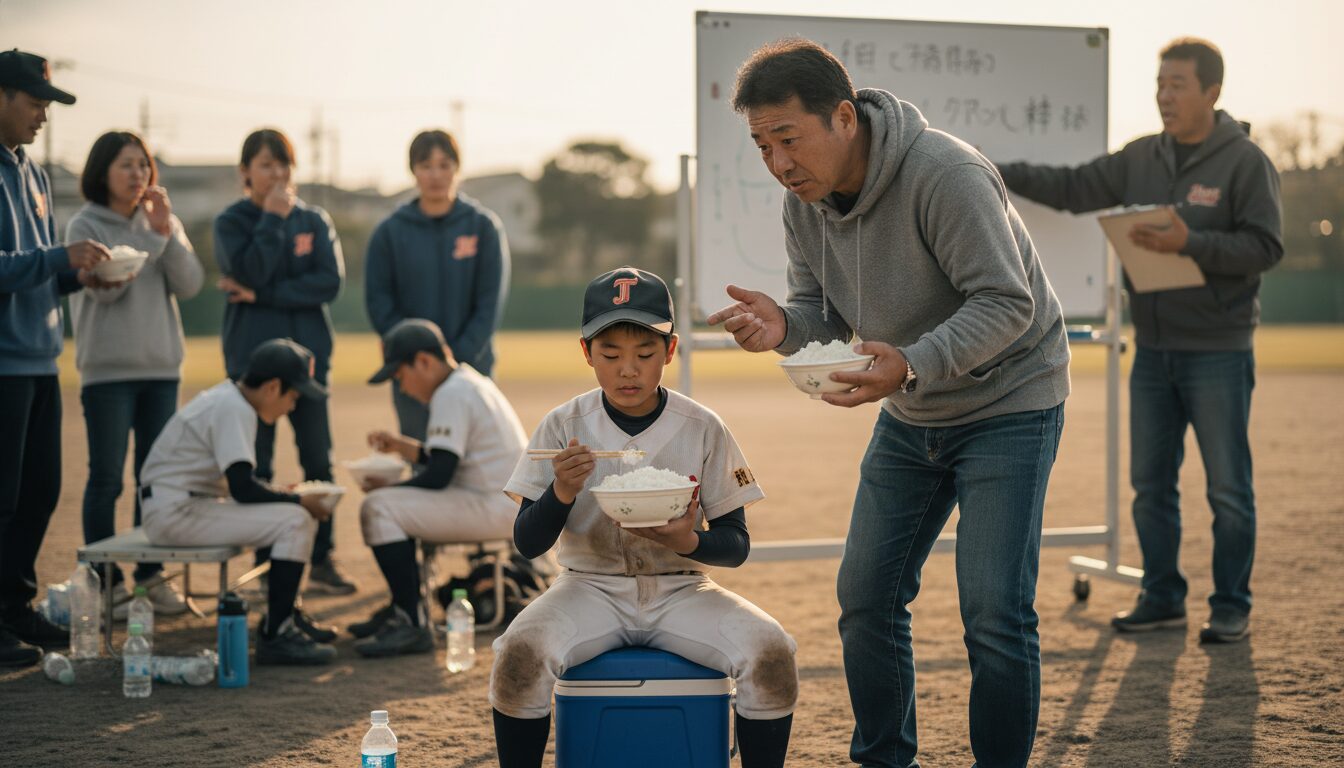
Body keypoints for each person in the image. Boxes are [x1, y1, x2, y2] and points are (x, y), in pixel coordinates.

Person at [709, 40, 1070, 768]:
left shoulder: (946, 174)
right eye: (762, 145)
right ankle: (884, 759)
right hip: (913, 411)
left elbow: (1007, 302)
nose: (778, 162)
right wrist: (784, 327)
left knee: (994, 611)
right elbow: (819, 312)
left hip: (1009, 402)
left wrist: (911, 364)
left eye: (788, 138)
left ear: (844, 118)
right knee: (866, 600)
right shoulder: (803, 203)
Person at [994, 38, 1282, 644]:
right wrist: (989, 169)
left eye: (1178, 85)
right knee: (1151, 485)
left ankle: (1231, 604)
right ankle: (1163, 596)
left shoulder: (1246, 163)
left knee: (1229, 488)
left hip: (1219, 350)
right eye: (1159, 84)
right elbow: (1073, 188)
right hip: (1152, 349)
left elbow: (1265, 247)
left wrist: (1189, 243)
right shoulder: (1141, 156)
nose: (1164, 96)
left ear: (1212, 92)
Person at [491, 267, 798, 768]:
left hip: (683, 590)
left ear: (671, 350)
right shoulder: (564, 424)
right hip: (587, 586)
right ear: (587, 353)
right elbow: (527, 543)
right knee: (518, 655)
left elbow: (736, 545)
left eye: (645, 353)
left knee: (772, 653)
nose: (628, 370)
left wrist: (687, 541)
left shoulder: (702, 426)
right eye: (611, 355)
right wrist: (561, 491)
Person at [0, 49, 110, 668]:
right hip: (2, 363)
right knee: (2, 498)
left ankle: (13, 608)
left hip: (41, 357)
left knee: (40, 492)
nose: (44, 114)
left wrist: (80, 276)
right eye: (35, 101)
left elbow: (42, 266)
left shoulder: (36, 175)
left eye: (48, 103)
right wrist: (56, 260)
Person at [66, 130, 205, 617]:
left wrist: (165, 233)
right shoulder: (86, 224)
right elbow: (106, 288)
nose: (137, 174)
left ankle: (151, 577)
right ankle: (106, 585)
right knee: (107, 479)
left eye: (143, 165)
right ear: (102, 171)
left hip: (162, 369)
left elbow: (191, 284)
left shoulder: (161, 221)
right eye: (126, 165)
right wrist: (152, 238)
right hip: (107, 372)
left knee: (155, 478)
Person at [214, 128, 356, 595]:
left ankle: (322, 559)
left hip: (308, 363)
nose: (277, 174)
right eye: (265, 165)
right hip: (252, 365)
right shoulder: (232, 221)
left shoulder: (313, 220)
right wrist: (272, 220)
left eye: (283, 164)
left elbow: (329, 283)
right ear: (245, 172)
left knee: (318, 460)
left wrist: (263, 296)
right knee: (257, 465)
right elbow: (247, 271)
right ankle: (266, 561)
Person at [137, 339, 338, 665]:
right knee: (295, 519)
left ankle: (285, 615)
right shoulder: (234, 408)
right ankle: (278, 633)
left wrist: (284, 495)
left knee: (291, 513)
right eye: (293, 396)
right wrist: (298, 499)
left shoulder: (229, 398)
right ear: (272, 387)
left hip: (179, 505)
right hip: (175, 513)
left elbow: (240, 484)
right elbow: (243, 488)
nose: (293, 406)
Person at [346, 319, 527, 657]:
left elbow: (439, 474)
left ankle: (410, 621)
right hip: (504, 502)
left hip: (492, 506)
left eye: (400, 375)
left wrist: (394, 487)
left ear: (424, 361)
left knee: (379, 507)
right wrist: (402, 447)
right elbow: (445, 458)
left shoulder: (451, 393)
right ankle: (404, 606)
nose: (401, 387)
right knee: (389, 502)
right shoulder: (469, 382)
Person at [364, 129, 510, 441]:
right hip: (412, 373)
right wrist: (417, 359)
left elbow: (489, 303)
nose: (436, 175)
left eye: (444, 165)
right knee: (421, 456)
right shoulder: (390, 232)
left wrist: (452, 362)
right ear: (413, 170)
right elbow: (379, 302)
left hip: (472, 368)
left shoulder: (482, 226)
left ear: (457, 168)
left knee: (475, 456)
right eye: (426, 166)